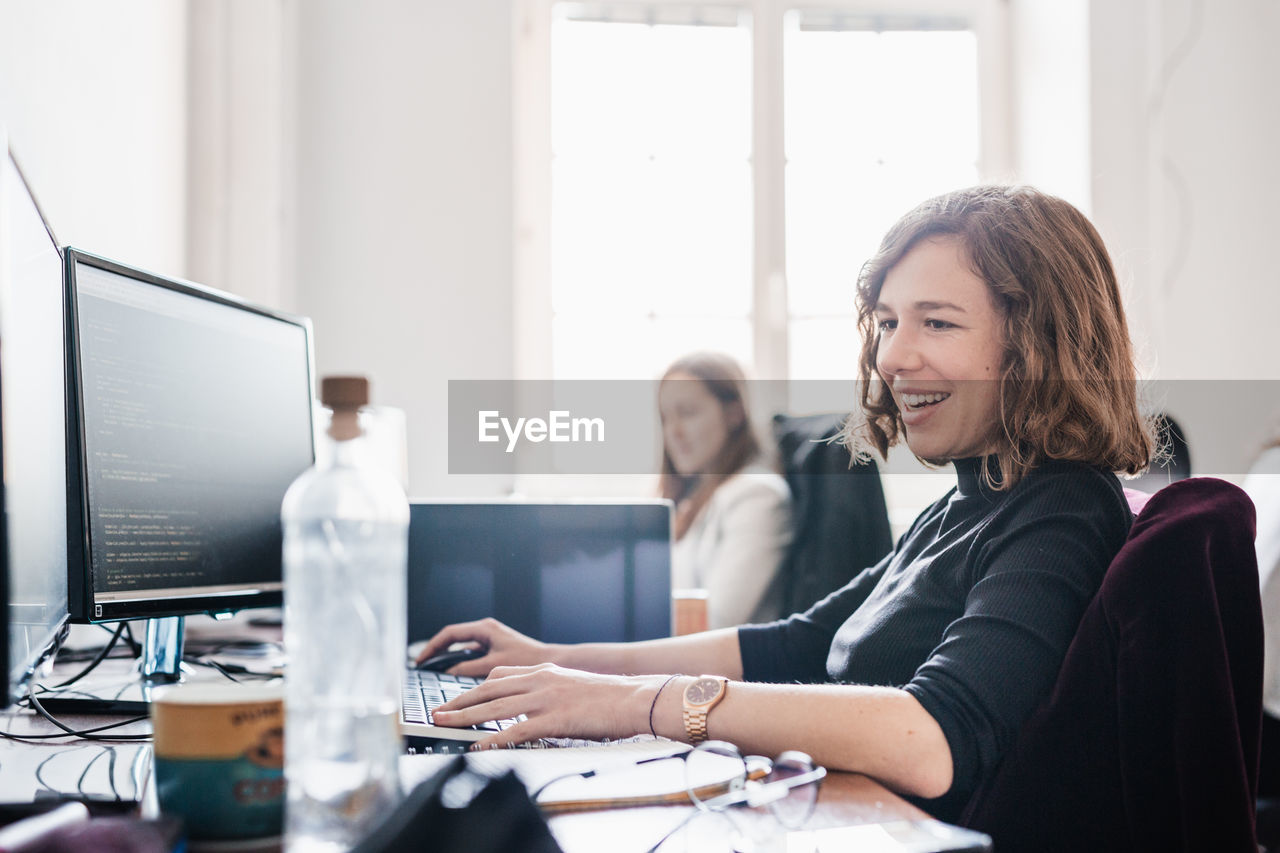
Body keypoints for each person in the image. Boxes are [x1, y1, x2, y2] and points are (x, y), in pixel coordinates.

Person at [418, 185, 1154, 821]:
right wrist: (563, 663)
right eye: (890, 322)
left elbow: (933, 739)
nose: (893, 356)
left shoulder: (1062, 510)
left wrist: (633, 703)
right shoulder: (962, 505)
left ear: (1039, 344)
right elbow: (794, 642)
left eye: (937, 322)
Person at [658, 352, 793, 628]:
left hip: (720, 667)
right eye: (665, 417)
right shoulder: (690, 499)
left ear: (734, 413)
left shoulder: (757, 496)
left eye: (687, 413)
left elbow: (714, 623)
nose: (674, 431)